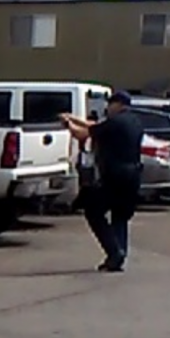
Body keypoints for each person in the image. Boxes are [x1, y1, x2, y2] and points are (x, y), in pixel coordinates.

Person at [60, 91, 143, 273]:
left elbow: (83, 134)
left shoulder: (115, 123)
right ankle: (119, 255)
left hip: (115, 175)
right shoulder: (134, 121)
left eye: (110, 104)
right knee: (120, 216)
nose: (107, 108)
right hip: (133, 174)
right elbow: (96, 126)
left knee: (94, 212)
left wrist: (68, 125)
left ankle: (114, 252)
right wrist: (74, 117)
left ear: (118, 105)